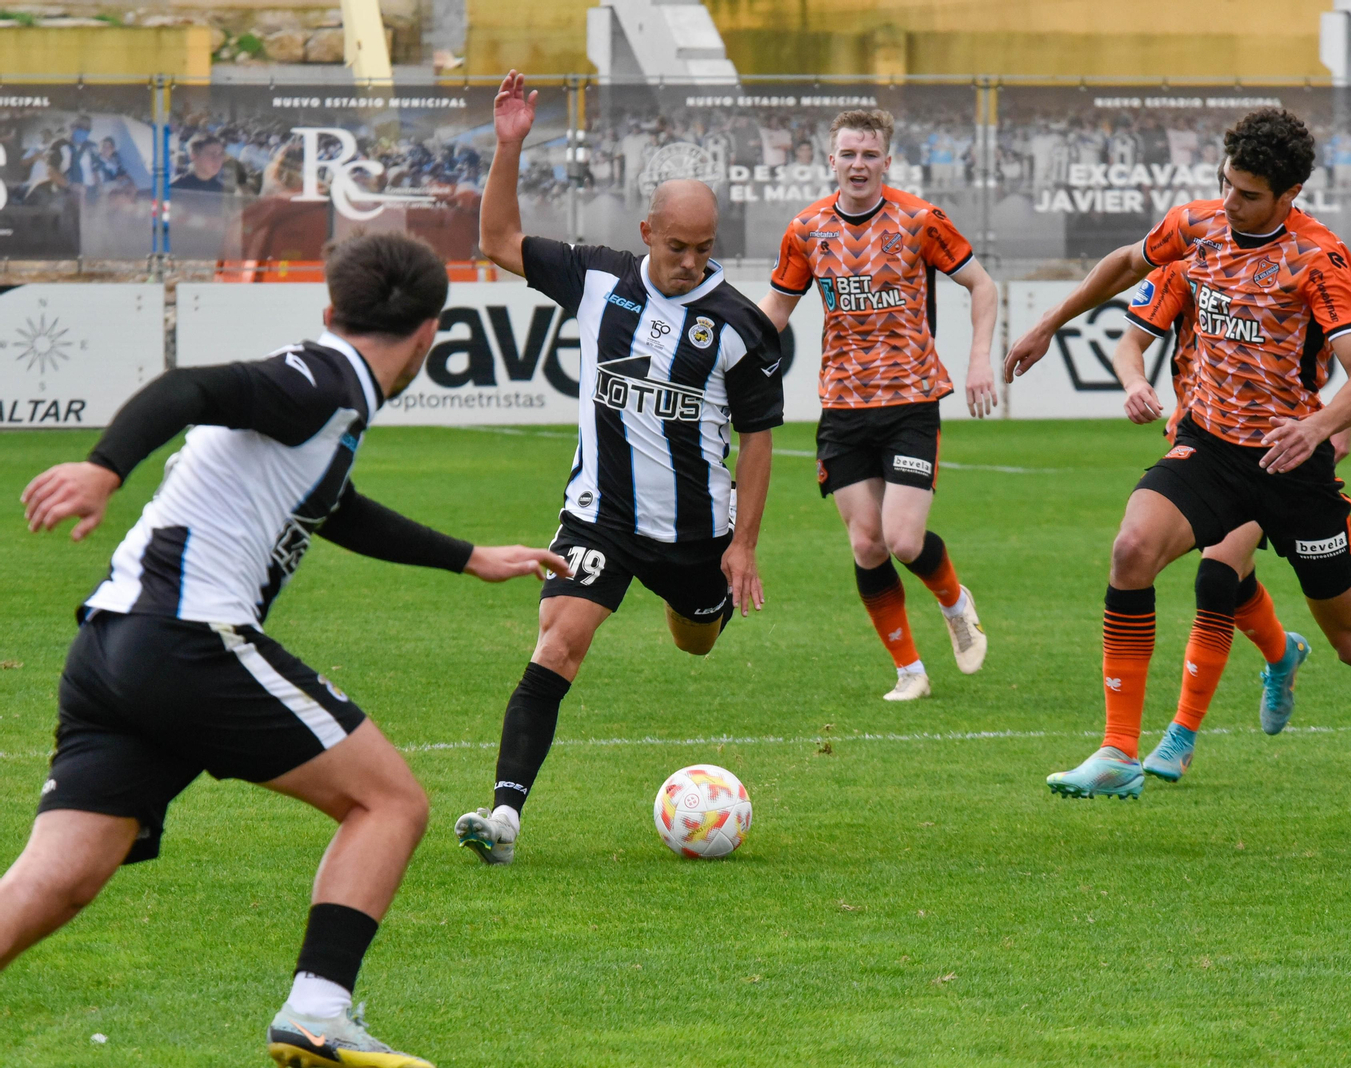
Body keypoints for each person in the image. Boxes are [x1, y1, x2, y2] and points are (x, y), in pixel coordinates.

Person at [3, 231, 570, 1068]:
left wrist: (468, 557)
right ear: (430, 334)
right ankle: (317, 1012)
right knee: (390, 804)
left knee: (60, 877)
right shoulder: (323, 380)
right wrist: (104, 468)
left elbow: (332, 506)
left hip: (111, 650)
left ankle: (317, 1014)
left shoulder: (330, 400)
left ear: (332, 308)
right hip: (187, 640)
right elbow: (193, 387)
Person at [1004, 107, 1351, 821]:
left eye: (1247, 194)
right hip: (1211, 448)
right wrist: (1045, 325)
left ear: (1289, 193)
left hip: (1291, 463)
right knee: (1131, 550)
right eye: (1226, 184)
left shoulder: (1320, 259)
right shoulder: (1198, 225)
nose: (1230, 202)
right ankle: (1119, 752)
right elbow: (1125, 264)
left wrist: (1319, 426)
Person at [458, 71, 783, 865]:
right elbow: (497, 241)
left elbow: (758, 439)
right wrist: (509, 146)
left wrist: (742, 545)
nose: (690, 262)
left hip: (694, 532)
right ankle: (504, 818)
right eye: (677, 247)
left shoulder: (739, 327)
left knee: (695, 642)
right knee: (558, 642)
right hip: (598, 516)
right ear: (647, 232)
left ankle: (692, 602)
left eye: (704, 249)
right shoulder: (597, 278)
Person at [759, 107, 998, 702]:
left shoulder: (919, 220)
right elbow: (775, 312)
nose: (858, 164)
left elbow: (983, 285)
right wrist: (724, 359)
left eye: (870, 154)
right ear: (831, 160)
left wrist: (978, 360)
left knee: (903, 541)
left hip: (910, 400)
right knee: (866, 544)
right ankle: (910, 671)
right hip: (842, 407)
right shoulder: (806, 229)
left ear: (887, 162)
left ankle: (955, 603)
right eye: (848, 153)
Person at [1113, 257, 1351, 782]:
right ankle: (1282, 653)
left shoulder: (1299, 259)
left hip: (1272, 453)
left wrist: (1342, 422)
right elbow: (1130, 339)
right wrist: (1135, 382)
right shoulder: (1189, 261)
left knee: (1217, 575)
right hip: (1199, 443)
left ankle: (1181, 734)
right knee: (1227, 578)